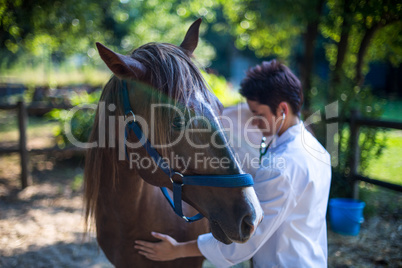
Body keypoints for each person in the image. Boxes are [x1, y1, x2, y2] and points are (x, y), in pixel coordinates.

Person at [134, 60, 332, 267]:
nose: (254, 123)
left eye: (259, 115)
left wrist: (178, 250)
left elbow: (249, 236)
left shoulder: (283, 166)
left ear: (282, 109)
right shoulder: (316, 150)